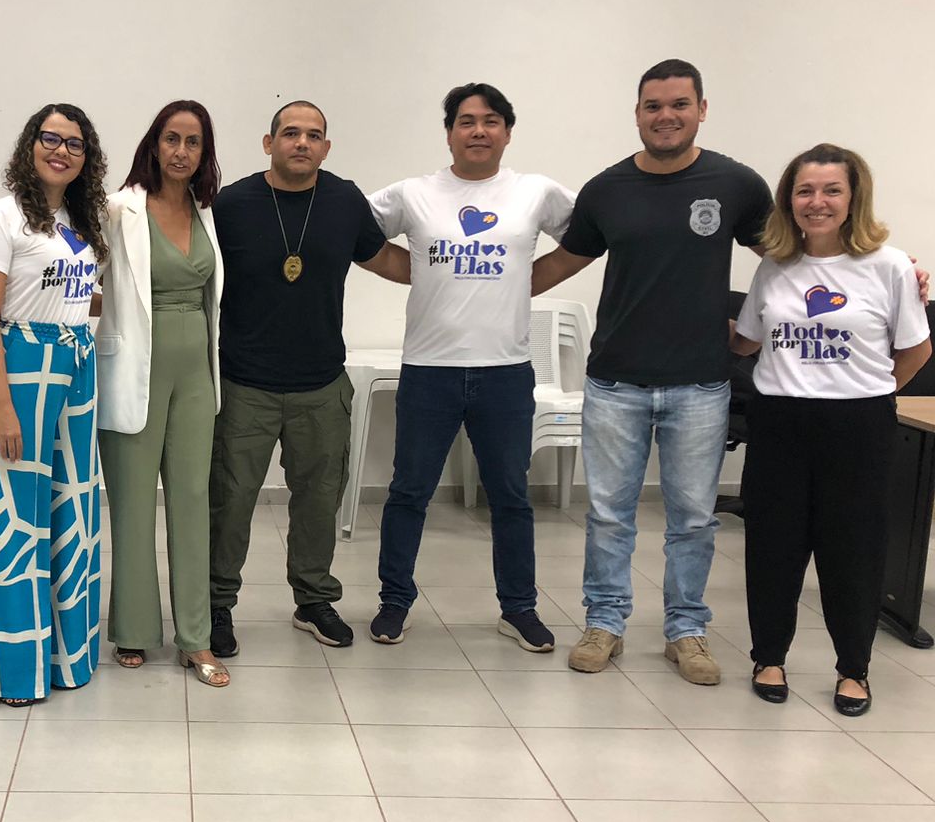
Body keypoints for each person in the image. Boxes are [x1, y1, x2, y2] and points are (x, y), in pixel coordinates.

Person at [531, 59, 771, 685]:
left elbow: (792, 256)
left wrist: (876, 261)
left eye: (678, 105)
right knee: (610, 514)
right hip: (616, 382)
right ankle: (604, 622)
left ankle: (686, 630)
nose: (666, 116)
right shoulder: (607, 189)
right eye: (653, 106)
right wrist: (476, 288)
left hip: (700, 384)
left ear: (701, 108)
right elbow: (562, 262)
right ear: (637, 113)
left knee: (692, 517)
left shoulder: (737, 185)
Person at [366, 83, 574, 650]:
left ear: (507, 130)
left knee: (510, 495)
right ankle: (394, 602)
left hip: (505, 370)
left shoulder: (534, 192)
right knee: (409, 491)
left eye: (489, 121)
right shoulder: (415, 193)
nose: (477, 131)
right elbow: (359, 237)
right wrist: (418, 273)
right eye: (465, 121)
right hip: (430, 369)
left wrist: (532, 282)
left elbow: (586, 240)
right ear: (449, 132)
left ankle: (519, 608)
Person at [732, 144, 930, 716]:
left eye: (830, 191)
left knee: (853, 549)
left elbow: (917, 349)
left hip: (858, 423)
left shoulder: (891, 266)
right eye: (804, 191)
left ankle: (854, 670)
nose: (816, 202)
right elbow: (746, 340)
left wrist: (873, 390)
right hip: (779, 420)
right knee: (774, 544)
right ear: (788, 200)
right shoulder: (773, 264)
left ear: (853, 198)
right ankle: (768, 657)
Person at [208, 100, 407, 654]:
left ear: (326, 146)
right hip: (244, 383)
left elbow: (386, 260)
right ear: (268, 143)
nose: (302, 142)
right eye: (290, 133)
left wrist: (457, 275)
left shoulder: (344, 201)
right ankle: (217, 604)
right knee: (230, 500)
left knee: (319, 497)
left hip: (321, 384)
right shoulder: (233, 204)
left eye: (313, 135)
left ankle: (314, 599)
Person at [0, 103, 108, 705]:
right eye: (51, 138)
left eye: (74, 144)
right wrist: (2, 405)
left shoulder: (79, 221)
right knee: (13, 525)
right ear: (30, 145)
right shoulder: (0, 219)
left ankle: (68, 659)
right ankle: (11, 670)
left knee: (73, 516)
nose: (61, 150)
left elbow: (83, 298)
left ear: (85, 157)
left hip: (74, 367)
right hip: (18, 370)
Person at [98, 100, 230, 686]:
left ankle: (195, 639)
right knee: (131, 502)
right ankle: (131, 630)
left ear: (205, 152)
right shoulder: (116, 209)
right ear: (154, 144)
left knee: (192, 500)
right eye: (172, 139)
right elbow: (87, 284)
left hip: (197, 371)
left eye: (193, 142)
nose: (181, 151)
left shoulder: (207, 212)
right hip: (134, 368)